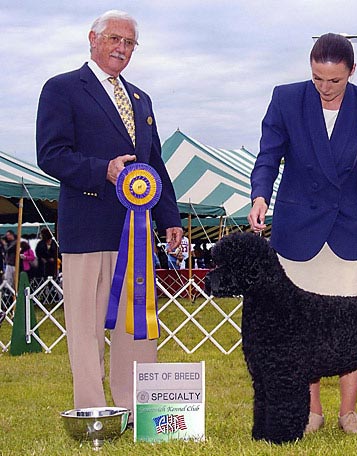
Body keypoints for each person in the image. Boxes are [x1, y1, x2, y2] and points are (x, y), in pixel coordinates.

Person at [248, 33, 357, 435]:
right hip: (296, 229)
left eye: (334, 81)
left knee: (354, 325)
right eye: (317, 79)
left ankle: (348, 412)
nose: (325, 88)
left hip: (348, 227)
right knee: (299, 329)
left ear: (352, 72)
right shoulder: (286, 98)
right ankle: (311, 412)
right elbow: (268, 154)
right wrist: (259, 196)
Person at [36, 10, 183, 421]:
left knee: (137, 323)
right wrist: (104, 170)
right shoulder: (62, 89)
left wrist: (170, 218)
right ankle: (92, 407)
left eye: (130, 43)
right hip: (86, 226)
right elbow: (50, 154)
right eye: (115, 39)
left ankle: (137, 406)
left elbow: (155, 165)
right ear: (92, 38)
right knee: (85, 326)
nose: (122, 48)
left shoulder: (141, 99)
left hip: (135, 231)